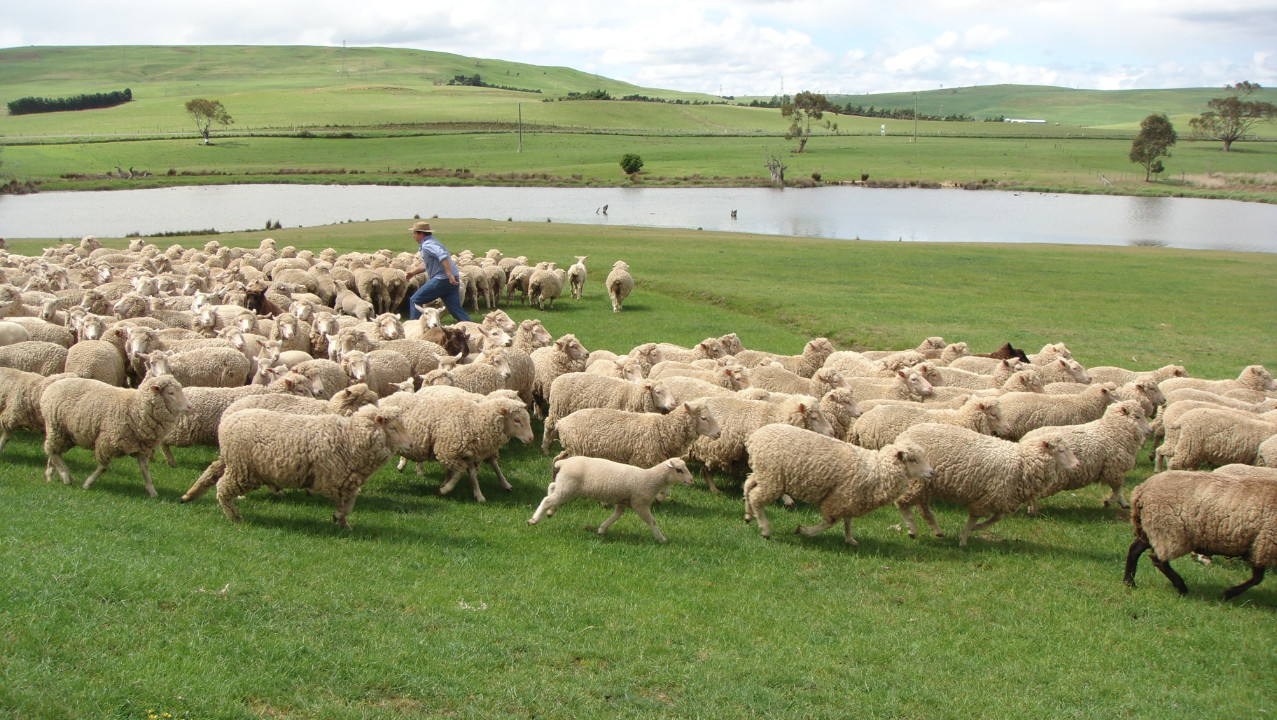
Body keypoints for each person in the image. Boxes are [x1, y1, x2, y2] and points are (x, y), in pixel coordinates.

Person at [403, 221, 471, 322]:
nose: (413, 236)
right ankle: (472, 328)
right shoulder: (433, 242)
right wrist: (413, 273)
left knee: (415, 300)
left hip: (442, 279)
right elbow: (427, 264)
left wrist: (449, 274)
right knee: (455, 309)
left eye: (414, 233)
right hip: (452, 280)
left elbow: (443, 256)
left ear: (421, 233)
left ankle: (415, 328)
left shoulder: (427, 245)